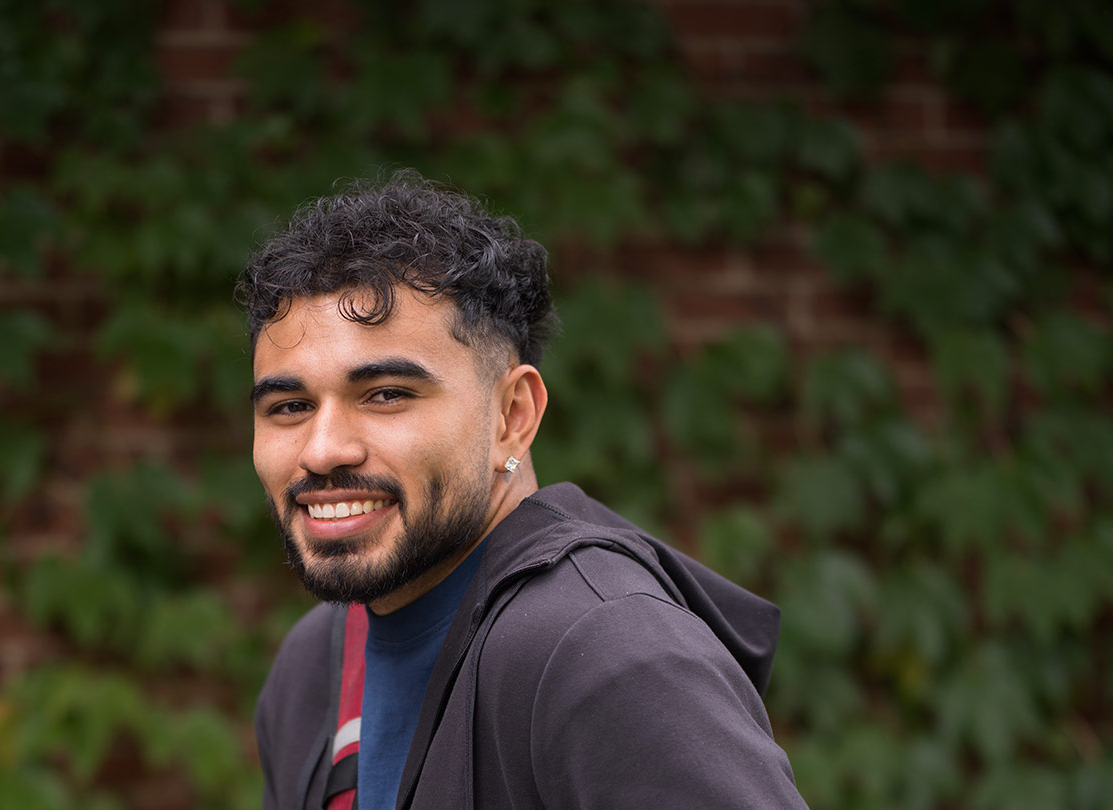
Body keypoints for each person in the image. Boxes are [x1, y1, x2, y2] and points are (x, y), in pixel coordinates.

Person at [240, 170, 808, 810]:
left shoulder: (608, 654)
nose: (322, 450)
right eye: (288, 406)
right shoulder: (313, 666)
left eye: (387, 395)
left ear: (513, 416)